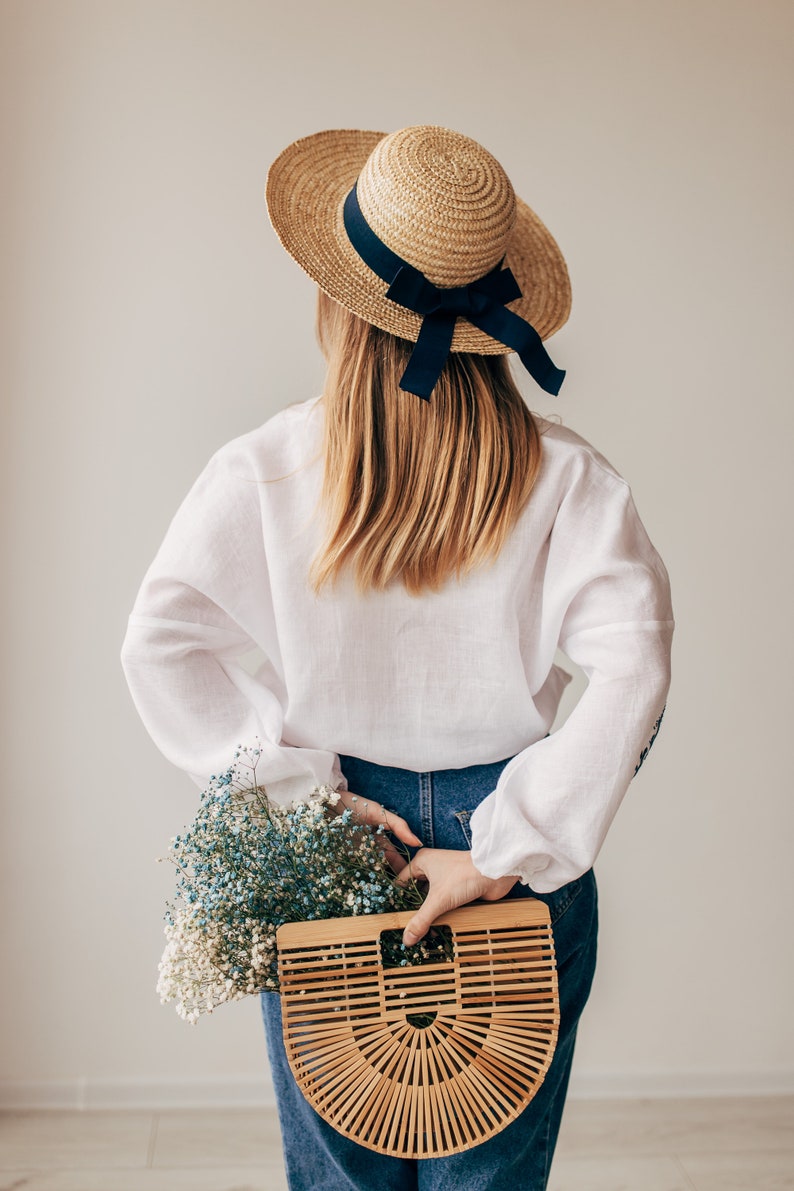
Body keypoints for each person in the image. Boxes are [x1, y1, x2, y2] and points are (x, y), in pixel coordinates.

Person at [121, 125, 673, 1190]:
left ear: (338, 304)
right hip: (509, 855)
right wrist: (507, 846)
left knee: (341, 1174)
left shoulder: (264, 471)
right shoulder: (570, 479)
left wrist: (298, 799)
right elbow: (634, 664)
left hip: (339, 847)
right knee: (492, 1170)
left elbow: (162, 643)